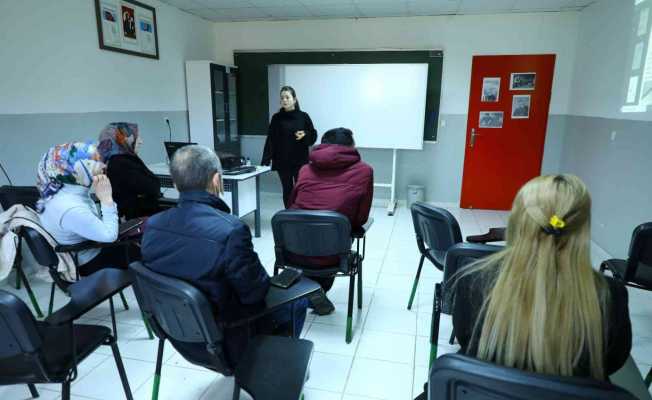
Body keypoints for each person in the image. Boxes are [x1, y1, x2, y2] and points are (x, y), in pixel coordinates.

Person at [414, 174, 632, 400]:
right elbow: (613, 362)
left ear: (518, 220)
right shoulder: (611, 295)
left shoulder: (475, 278)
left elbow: (466, 339)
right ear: (581, 228)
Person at [141, 145, 308, 367]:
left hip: (177, 337)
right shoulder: (231, 231)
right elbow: (255, 294)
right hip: (228, 346)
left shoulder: (152, 226)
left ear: (174, 183)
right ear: (217, 180)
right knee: (298, 300)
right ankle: (277, 367)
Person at [288, 128, 373, 314]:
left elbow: (291, 204)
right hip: (333, 254)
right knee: (332, 237)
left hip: (292, 248)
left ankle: (306, 289)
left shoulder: (304, 169)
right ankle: (313, 291)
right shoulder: (365, 171)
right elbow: (360, 218)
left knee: (315, 238)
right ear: (351, 147)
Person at [37, 142, 137, 276]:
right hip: (91, 262)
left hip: (86, 249)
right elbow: (109, 236)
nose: (103, 166)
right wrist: (106, 200)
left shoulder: (58, 192)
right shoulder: (70, 208)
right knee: (149, 249)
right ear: (71, 171)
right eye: (91, 163)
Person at [261, 86, 317, 208]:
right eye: (282, 98)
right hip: (282, 161)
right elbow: (271, 138)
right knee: (287, 189)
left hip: (300, 160)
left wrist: (305, 134)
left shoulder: (304, 116)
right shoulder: (276, 118)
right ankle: (289, 214)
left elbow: (313, 135)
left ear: (294, 99)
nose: (284, 100)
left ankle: (300, 213)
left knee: (300, 189)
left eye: (287, 97)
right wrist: (266, 158)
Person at [97, 122, 161, 220]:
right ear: (124, 140)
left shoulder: (111, 160)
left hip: (127, 216)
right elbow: (152, 187)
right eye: (136, 137)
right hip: (136, 221)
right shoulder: (123, 163)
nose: (140, 141)